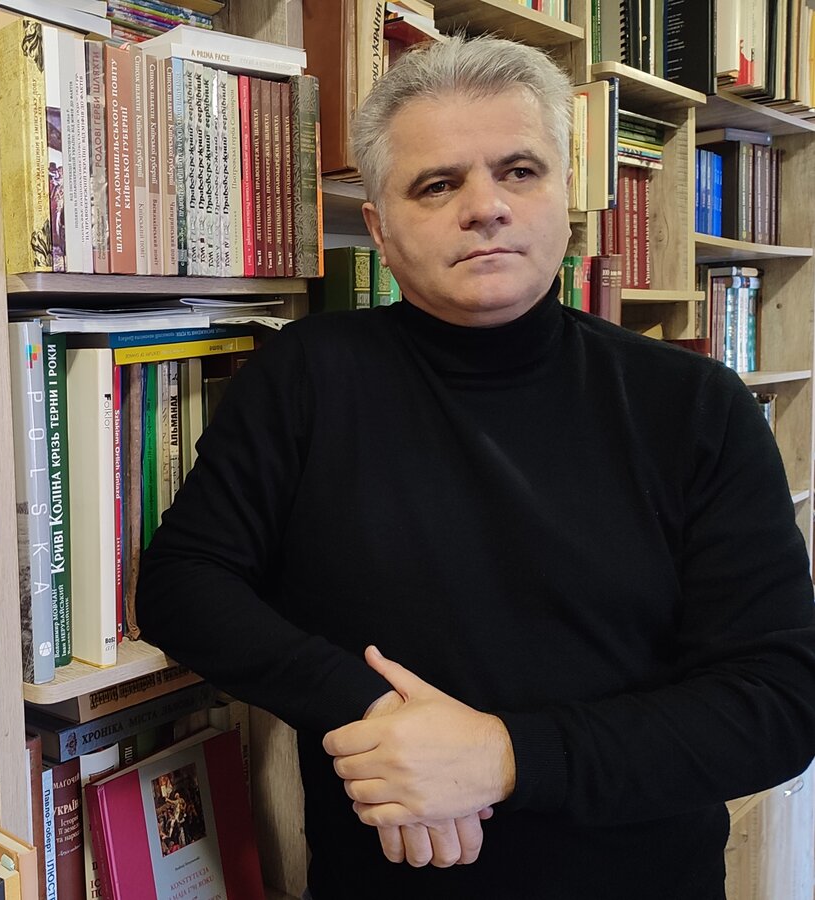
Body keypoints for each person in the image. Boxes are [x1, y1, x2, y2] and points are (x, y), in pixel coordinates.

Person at [135, 33, 815, 898]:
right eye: (436, 184)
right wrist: (377, 714)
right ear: (379, 229)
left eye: (518, 171)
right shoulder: (305, 376)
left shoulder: (694, 405)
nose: (485, 206)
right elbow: (183, 585)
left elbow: (776, 702)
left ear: (565, 195)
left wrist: (501, 757)